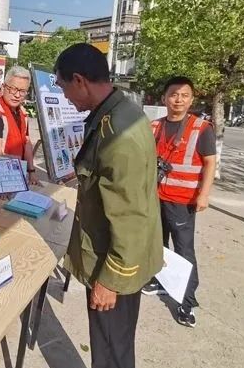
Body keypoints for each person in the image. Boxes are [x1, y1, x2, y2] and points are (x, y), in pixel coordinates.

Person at [54, 43, 162, 368]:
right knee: (112, 346)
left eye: (63, 88)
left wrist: (110, 280)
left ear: (79, 80)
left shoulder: (118, 132)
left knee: (111, 353)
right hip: (113, 256)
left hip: (113, 264)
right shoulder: (116, 112)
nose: (66, 98)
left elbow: (131, 217)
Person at [142, 76, 216, 328]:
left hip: (183, 201)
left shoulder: (201, 128)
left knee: (184, 251)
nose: (178, 100)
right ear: (164, 98)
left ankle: (187, 300)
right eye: (174, 94)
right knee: (157, 243)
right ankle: (159, 281)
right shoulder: (153, 126)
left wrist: (204, 194)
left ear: (191, 99)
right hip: (155, 198)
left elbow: (210, 163)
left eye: (184, 95)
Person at [0, 66, 40, 185]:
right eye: (13, 89)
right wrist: (5, 183)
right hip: (2, 177)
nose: (17, 95)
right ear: (4, 87)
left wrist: (31, 171)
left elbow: (27, 143)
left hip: (18, 173)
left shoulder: (23, 112)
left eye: (22, 91)